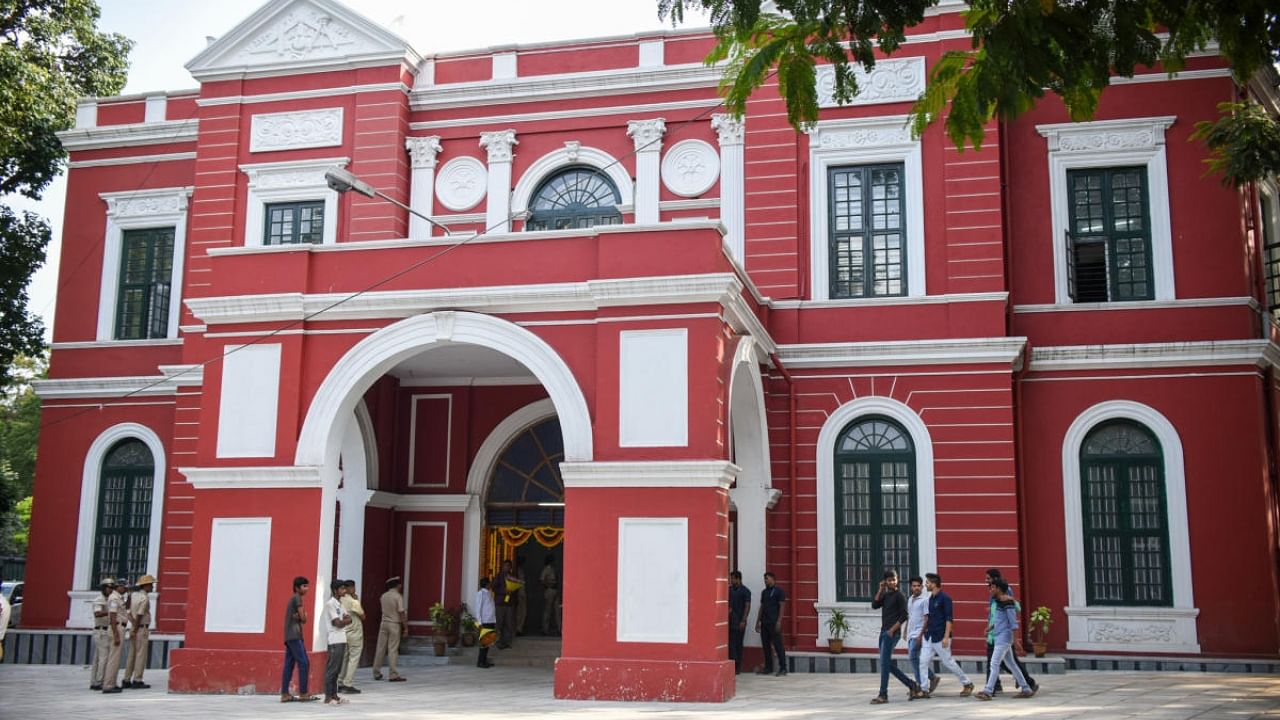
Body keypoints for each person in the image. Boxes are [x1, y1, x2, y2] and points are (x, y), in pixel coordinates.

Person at [976, 579, 1035, 701]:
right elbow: (999, 619)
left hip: (1004, 637)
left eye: (992, 587)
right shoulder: (997, 602)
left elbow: (1013, 623)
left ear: (999, 589)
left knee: (994, 663)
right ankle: (1026, 689)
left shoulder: (1008, 603)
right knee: (1012, 665)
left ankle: (988, 691)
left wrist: (1016, 640)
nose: (990, 590)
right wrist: (990, 628)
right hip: (999, 636)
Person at [916, 573, 974, 697]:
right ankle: (924, 689)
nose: (926, 585)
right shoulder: (930, 599)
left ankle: (967, 683)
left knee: (948, 662)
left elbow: (949, 619)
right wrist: (922, 634)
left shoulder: (945, 599)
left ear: (934, 584)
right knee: (923, 661)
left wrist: (946, 637)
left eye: (927, 583)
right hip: (929, 636)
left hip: (941, 636)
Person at [870, 570, 921, 703]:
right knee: (885, 663)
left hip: (892, 633)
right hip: (884, 632)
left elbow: (904, 615)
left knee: (884, 664)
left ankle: (883, 695)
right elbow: (874, 605)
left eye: (893, 579)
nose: (891, 582)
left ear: (897, 580)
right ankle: (912, 685)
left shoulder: (900, 596)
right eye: (889, 580)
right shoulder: (886, 595)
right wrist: (880, 590)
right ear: (885, 582)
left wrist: (892, 630)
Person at [280, 576, 316, 703]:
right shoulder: (297, 598)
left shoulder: (294, 599)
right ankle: (304, 693)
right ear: (297, 587)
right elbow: (304, 618)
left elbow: (300, 617)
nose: (307, 589)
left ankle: (285, 694)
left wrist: (300, 617)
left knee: (289, 665)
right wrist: (303, 616)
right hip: (295, 636)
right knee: (304, 662)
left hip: (290, 636)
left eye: (307, 586)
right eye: (304, 586)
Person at [905, 575, 938, 695]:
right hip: (910, 633)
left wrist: (920, 635)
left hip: (919, 633)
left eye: (919, 586)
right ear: (910, 587)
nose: (916, 588)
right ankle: (931, 677)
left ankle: (920, 684)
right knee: (915, 658)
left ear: (922, 587)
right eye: (914, 586)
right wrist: (905, 631)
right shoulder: (910, 599)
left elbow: (926, 619)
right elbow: (910, 616)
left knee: (913, 656)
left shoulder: (925, 600)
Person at [122, 574, 155, 689]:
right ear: (145, 586)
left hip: (134, 627)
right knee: (141, 655)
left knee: (132, 655)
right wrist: (135, 629)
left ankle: (126, 679)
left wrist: (133, 625)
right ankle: (137, 679)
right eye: (151, 585)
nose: (152, 587)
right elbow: (140, 614)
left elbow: (128, 611)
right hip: (141, 628)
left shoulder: (133, 595)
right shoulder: (144, 598)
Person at [372, 576, 407, 682]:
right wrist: (405, 627)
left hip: (384, 623)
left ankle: (376, 672)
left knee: (380, 648)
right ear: (397, 585)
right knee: (393, 649)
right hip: (394, 624)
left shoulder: (383, 596)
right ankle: (393, 674)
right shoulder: (398, 596)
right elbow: (401, 612)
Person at [323, 580, 352, 705]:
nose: (344, 591)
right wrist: (345, 621)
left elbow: (348, 618)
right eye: (341, 589)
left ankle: (334, 695)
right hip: (334, 639)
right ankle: (328, 697)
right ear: (335, 590)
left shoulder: (340, 604)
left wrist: (344, 621)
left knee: (338, 669)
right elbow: (337, 623)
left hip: (342, 638)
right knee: (332, 669)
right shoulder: (330, 604)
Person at [755, 571, 787, 677]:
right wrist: (758, 621)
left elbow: (782, 606)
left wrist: (779, 621)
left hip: (774, 622)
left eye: (767, 579)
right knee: (766, 646)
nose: (765, 581)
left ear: (773, 579)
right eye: (764, 579)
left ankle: (783, 668)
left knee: (778, 645)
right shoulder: (764, 592)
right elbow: (762, 607)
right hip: (765, 622)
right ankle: (769, 667)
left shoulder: (779, 592)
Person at [338, 579, 366, 694]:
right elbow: (363, 616)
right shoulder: (353, 602)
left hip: (344, 632)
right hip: (355, 633)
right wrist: (356, 599)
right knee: (354, 658)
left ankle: (340, 681)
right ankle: (348, 683)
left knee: (344, 658)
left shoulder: (340, 600)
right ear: (351, 588)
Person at [101, 579, 128, 694]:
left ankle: (112, 682)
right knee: (113, 659)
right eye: (124, 587)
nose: (126, 589)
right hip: (116, 628)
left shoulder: (118, 598)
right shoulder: (114, 598)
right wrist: (116, 634)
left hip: (119, 627)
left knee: (115, 659)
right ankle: (108, 685)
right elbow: (112, 617)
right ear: (119, 587)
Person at [89, 577, 114, 690]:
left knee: (98, 658)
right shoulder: (99, 600)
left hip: (105, 630)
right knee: (103, 658)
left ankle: (94, 681)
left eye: (112, 587)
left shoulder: (109, 600)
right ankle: (100, 681)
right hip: (101, 631)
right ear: (104, 588)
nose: (111, 590)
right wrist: (110, 611)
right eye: (109, 587)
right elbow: (97, 613)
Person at [727, 570, 751, 675]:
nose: (731, 581)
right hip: (730, 621)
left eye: (733, 578)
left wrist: (743, 620)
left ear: (738, 579)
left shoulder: (745, 591)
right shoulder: (730, 590)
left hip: (739, 621)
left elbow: (747, 606)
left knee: (738, 644)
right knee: (731, 644)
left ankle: (738, 666)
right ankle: (731, 665)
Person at [493, 560, 518, 649]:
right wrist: (504, 591)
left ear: (510, 567)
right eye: (505, 566)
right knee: (499, 623)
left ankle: (507, 642)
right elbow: (494, 587)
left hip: (509, 603)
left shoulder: (512, 576)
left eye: (508, 566)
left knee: (509, 623)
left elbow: (517, 587)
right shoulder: (499, 576)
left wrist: (513, 590)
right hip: (500, 603)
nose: (507, 567)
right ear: (502, 567)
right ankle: (499, 642)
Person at [474, 577, 496, 668]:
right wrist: (479, 623)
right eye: (489, 583)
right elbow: (478, 608)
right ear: (486, 584)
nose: (490, 584)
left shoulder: (489, 593)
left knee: (488, 642)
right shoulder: (481, 594)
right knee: (484, 642)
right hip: (485, 621)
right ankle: (480, 662)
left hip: (491, 620)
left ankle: (484, 660)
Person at [540, 556, 558, 635]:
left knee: (557, 611)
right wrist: (548, 585)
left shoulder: (553, 568)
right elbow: (541, 580)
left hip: (555, 590)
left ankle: (559, 629)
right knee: (548, 610)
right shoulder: (547, 569)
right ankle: (545, 629)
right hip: (549, 590)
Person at [514, 556, 529, 636]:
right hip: (519, 594)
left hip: (522, 593)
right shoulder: (516, 571)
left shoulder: (520, 570)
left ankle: (520, 628)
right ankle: (517, 629)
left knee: (523, 612)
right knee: (519, 612)